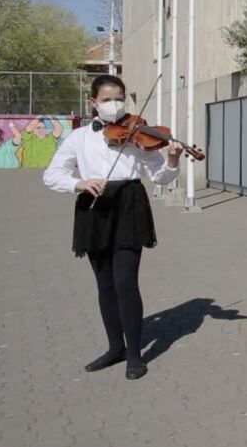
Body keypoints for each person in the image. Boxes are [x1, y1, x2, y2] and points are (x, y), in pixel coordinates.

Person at [42, 74, 183, 380]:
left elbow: (160, 177)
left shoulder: (138, 132)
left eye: (118, 98)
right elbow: (52, 174)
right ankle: (114, 348)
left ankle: (134, 356)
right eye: (106, 100)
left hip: (129, 205)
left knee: (125, 283)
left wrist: (172, 160)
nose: (114, 105)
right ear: (93, 102)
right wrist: (79, 182)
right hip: (94, 206)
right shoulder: (78, 138)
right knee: (104, 285)